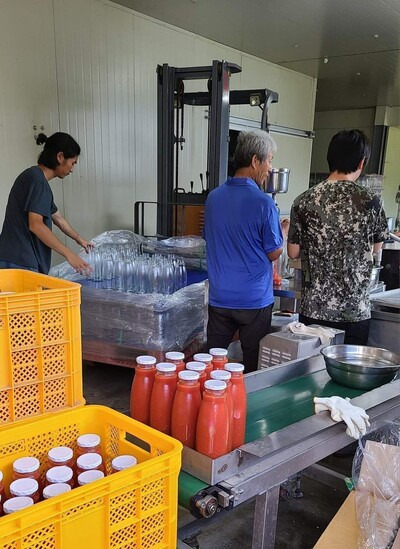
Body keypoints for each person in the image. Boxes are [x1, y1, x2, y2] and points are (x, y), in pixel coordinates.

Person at [287, 129, 388, 345]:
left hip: (314, 309)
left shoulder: (303, 201)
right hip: (355, 311)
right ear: (361, 162)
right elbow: (376, 248)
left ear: (330, 158)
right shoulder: (371, 201)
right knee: (349, 374)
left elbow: (293, 252)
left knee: (311, 372)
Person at [204, 129, 283, 372]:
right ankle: (246, 406)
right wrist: (284, 231)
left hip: (220, 298)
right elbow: (274, 252)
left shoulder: (214, 198)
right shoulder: (264, 202)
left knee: (212, 363)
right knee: (251, 365)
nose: (270, 168)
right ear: (255, 160)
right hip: (253, 301)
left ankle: (209, 403)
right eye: (269, 160)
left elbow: (211, 238)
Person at [0, 132, 93, 275]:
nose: (73, 169)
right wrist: (69, 254)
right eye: (72, 162)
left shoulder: (35, 178)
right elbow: (36, 224)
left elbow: (58, 219)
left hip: (13, 258)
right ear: (60, 157)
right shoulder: (37, 181)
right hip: (20, 262)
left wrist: (80, 240)